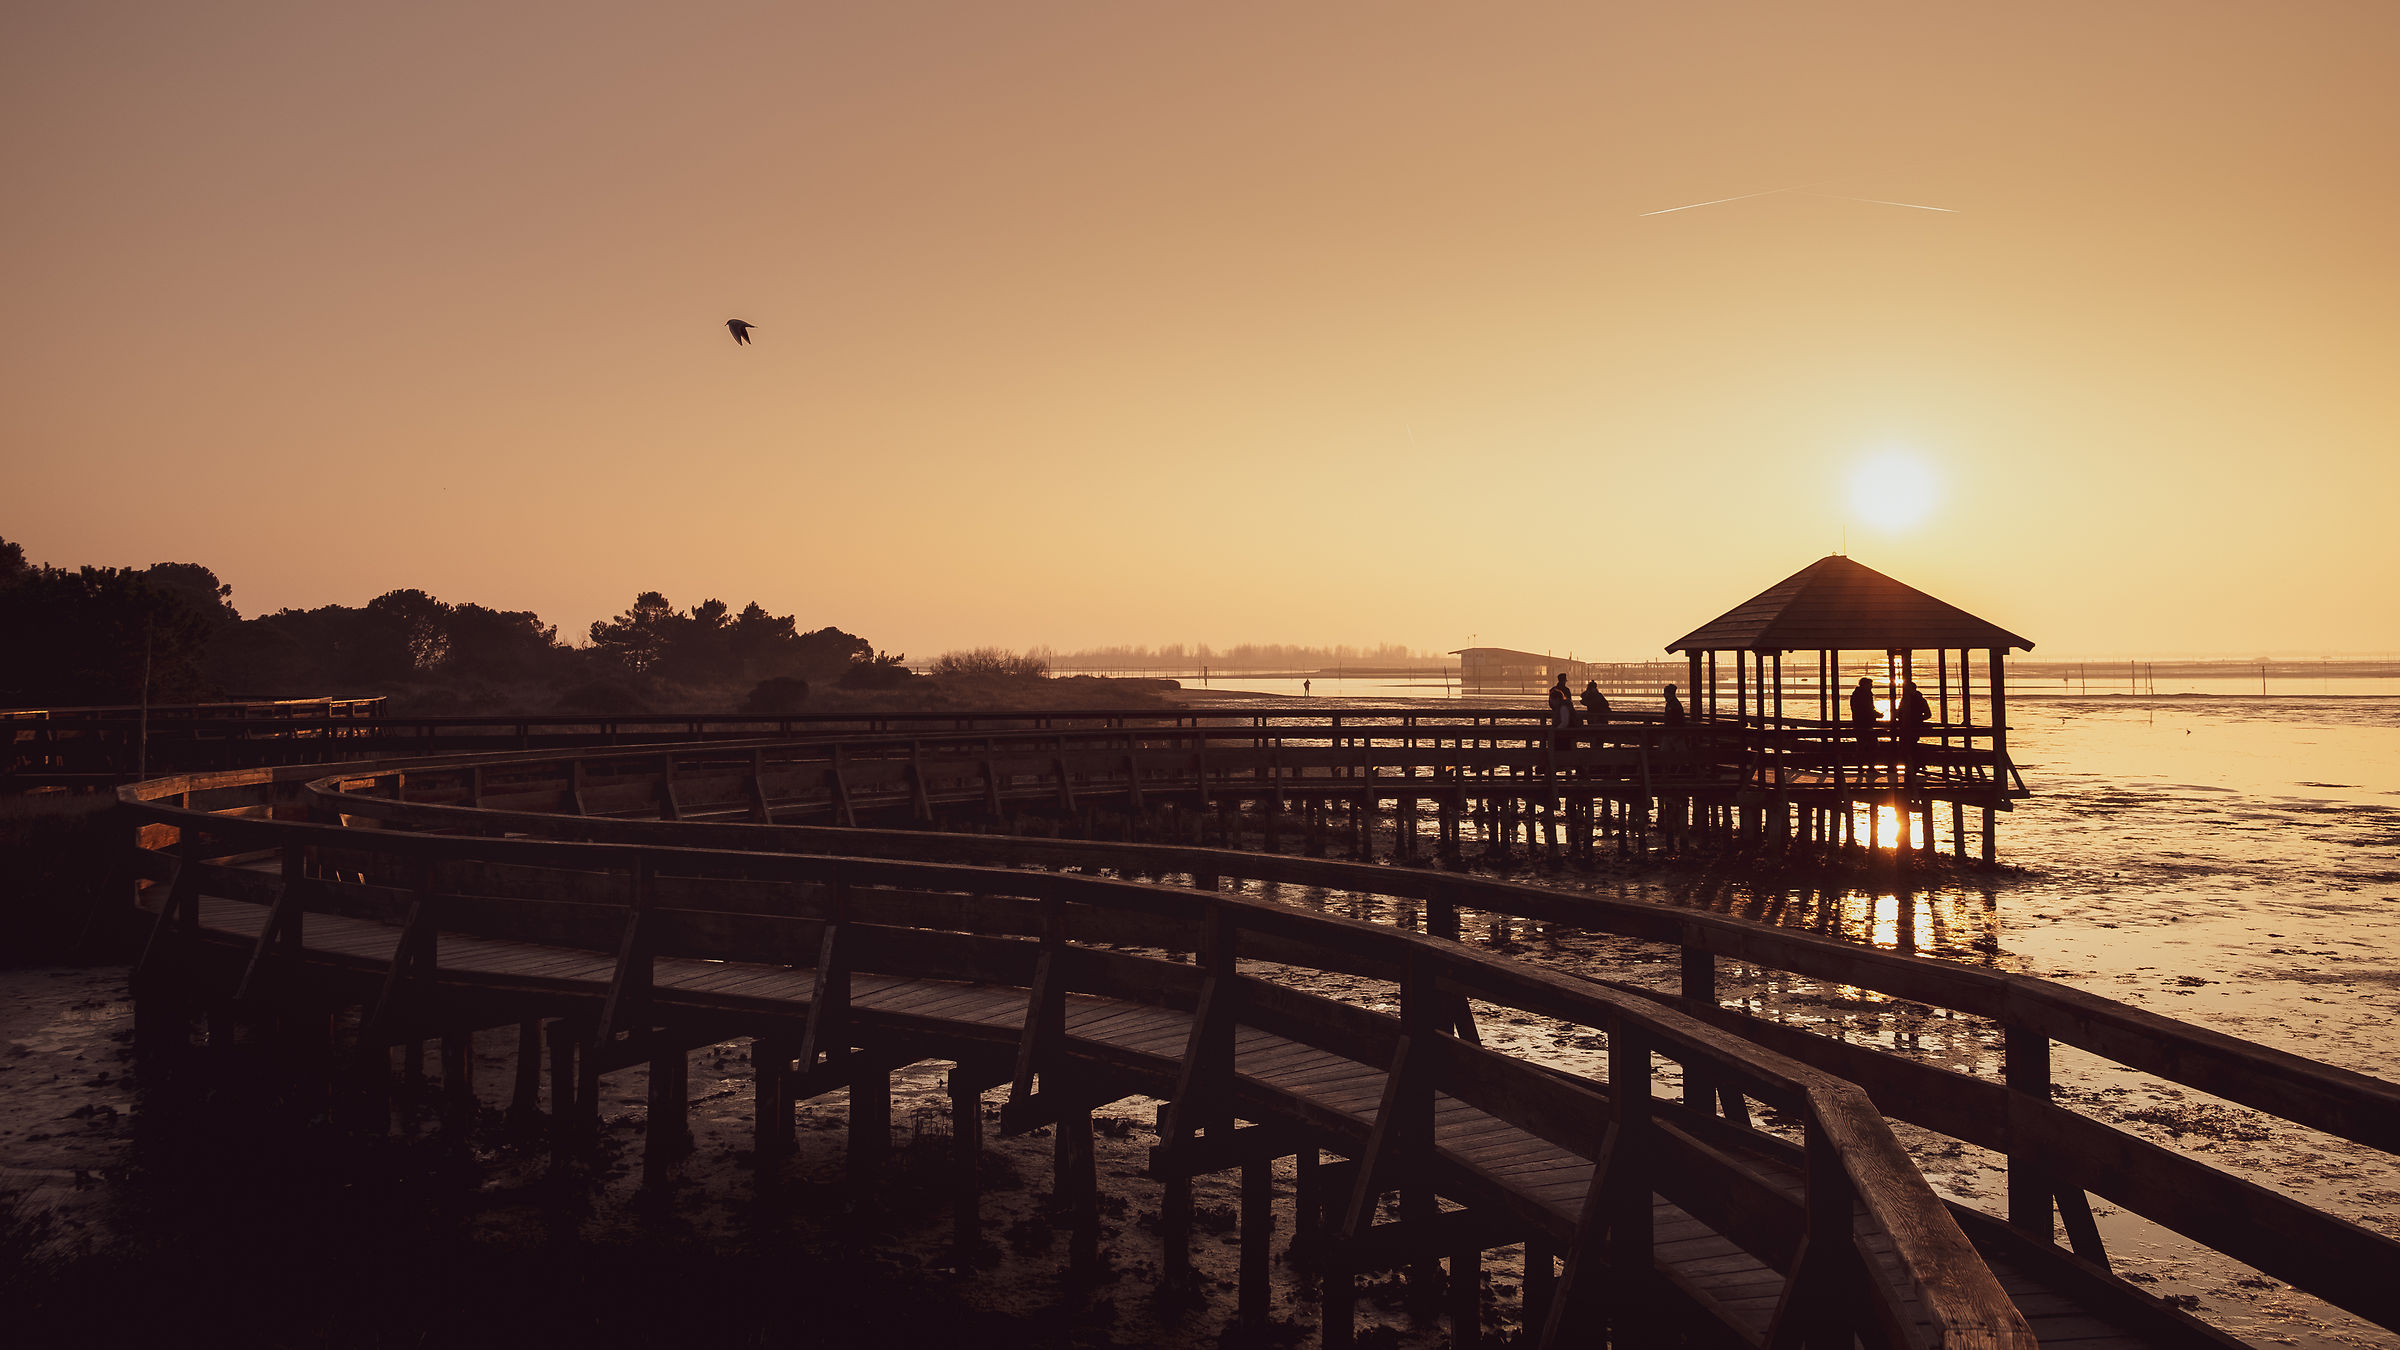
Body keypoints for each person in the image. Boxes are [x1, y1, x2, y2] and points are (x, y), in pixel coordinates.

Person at [1850, 677, 1881, 750]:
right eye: (1870, 685)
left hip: (1860, 722)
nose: (1872, 686)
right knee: (1870, 744)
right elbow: (1867, 709)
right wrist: (1877, 715)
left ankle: (1862, 758)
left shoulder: (1857, 694)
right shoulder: (1864, 695)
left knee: (1862, 743)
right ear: (1865, 685)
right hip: (1864, 723)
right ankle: (1868, 759)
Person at [1548, 674, 1574, 748]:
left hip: (1557, 715)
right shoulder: (1566, 690)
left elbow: (1550, 704)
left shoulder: (1553, 690)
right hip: (1562, 717)